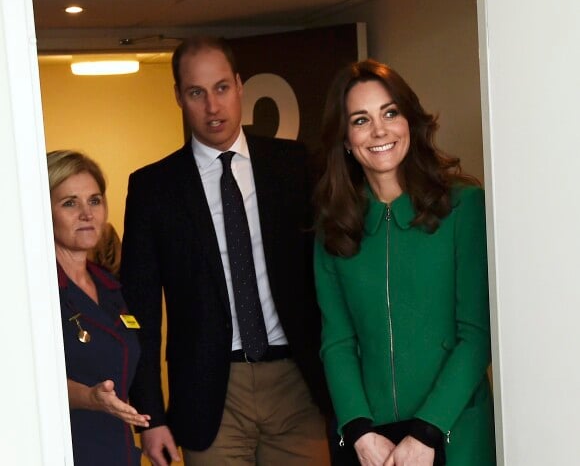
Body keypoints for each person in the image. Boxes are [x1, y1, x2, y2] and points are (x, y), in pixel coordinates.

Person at [120, 36, 331, 465]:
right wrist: (150, 417)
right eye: (196, 93)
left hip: (297, 384)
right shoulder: (153, 188)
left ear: (239, 87)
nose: (212, 106)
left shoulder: (293, 166)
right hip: (210, 393)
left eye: (221, 88)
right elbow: (140, 310)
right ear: (179, 97)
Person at [313, 60, 495, 466]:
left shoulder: (463, 207)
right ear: (345, 138)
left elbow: (477, 334)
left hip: (454, 433)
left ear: (409, 121)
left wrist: (427, 432)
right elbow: (338, 342)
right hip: (373, 445)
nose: (380, 131)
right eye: (361, 120)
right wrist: (359, 432)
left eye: (390, 113)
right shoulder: (335, 228)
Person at [48, 150, 149, 466]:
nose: (86, 213)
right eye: (69, 203)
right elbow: (22, 379)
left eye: (94, 200)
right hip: (67, 452)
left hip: (118, 451)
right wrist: (89, 398)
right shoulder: (35, 290)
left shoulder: (109, 285)